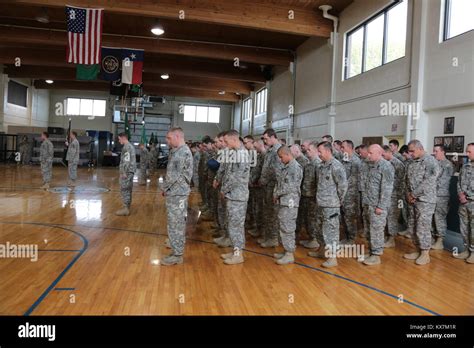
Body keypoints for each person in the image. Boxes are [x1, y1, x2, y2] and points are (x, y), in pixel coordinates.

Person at [309, 141, 347, 268]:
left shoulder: (336, 166)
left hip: (331, 205)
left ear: (328, 151)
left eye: (320, 151)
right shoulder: (321, 166)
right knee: (319, 229)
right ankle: (321, 250)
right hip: (320, 203)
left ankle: (332, 257)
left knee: (331, 232)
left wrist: (337, 201)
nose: (318, 154)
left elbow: (342, 186)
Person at [403, 140, 439, 265]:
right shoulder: (411, 162)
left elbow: (429, 182)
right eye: (409, 151)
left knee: (423, 227)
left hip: (425, 200)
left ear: (420, 148)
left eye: (412, 151)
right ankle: (417, 250)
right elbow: (407, 180)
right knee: (413, 226)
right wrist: (408, 194)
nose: (410, 154)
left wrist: (414, 194)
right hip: (412, 200)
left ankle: (425, 253)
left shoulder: (430, 161)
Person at [161, 127, 193, 266]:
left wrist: (165, 187)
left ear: (177, 136)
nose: (167, 141)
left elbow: (174, 176)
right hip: (175, 193)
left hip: (177, 193)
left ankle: (177, 255)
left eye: (169, 138)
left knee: (177, 224)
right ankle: (176, 250)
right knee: (175, 223)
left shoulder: (182, 152)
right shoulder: (178, 151)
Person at [218, 130, 250, 265]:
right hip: (233, 195)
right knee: (232, 225)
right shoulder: (235, 153)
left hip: (237, 196)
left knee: (236, 226)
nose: (224, 144)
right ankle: (234, 251)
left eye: (226, 141)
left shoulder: (242, 155)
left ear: (233, 140)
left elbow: (235, 178)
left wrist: (224, 190)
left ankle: (238, 255)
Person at [360, 145, 394, 265]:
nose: (368, 155)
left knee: (377, 231)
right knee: (369, 230)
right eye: (368, 153)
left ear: (379, 153)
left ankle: (376, 255)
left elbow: (387, 189)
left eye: (370, 153)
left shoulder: (386, 166)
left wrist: (381, 206)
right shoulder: (370, 165)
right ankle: (371, 251)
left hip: (377, 206)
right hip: (368, 203)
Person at [273, 146, 303, 265]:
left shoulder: (295, 167)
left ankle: (289, 254)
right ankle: (286, 250)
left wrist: (277, 193)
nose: (280, 160)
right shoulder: (287, 166)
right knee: (284, 225)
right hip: (284, 200)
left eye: (281, 157)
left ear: (287, 154)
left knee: (288, 227)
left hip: (290, 201)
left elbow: (290, 186)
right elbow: (280, 182)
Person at [258, 128, 282, 248]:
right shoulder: (270, 150)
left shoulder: (278, 151)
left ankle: (273, 238)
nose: (265, 141)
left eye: (266, 139)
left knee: (273, 214)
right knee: (267, 213)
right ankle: (268, 236)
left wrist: (276, 192)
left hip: (273, 187)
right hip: (267, 187)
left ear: (273, 137)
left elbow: (278, 174)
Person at [298, 141, 321, 249]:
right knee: (307, 219)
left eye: (309, 150)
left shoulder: (318, 164)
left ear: (316, 151)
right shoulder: (308, 163)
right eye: (306, 150)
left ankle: (314, 239)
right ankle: (311, 238)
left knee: (313, 220)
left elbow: (319, 183)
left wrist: (316, 197)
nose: (307, 152)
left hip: (313, 197)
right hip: (306, 195)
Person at [382, 145, 406, 248]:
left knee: (392, 217)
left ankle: (392, 239)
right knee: (386, 217)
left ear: (389, 152)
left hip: (395, 195)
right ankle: (387, 236)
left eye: (383, 154)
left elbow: (401, 181)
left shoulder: (397, 164)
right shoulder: (384, 163)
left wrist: (398, 196)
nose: (382, 156)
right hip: (387, 194)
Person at [432, 144, 454, 250]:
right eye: (434, 151)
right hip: (432, 195)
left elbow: (442, 182)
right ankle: (432, 237)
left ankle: (440, 240)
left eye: (436, 151)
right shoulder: (434, 163)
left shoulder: (447, 165)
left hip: (441, 195)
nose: (434, 153)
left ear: (442, 152)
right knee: (431, 217)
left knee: (439, 217)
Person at [340, 140, 361, 244]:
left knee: (350, 217)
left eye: (343, 147)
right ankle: (347, 237)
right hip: (343, 194)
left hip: (351, 196)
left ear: (350, 148)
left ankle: (351, 239)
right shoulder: (343, 160)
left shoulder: (356, 162)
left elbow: (352, 180)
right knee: (344, 217)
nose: (341, 149)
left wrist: (341, 187)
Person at [456, 143, 474, 264]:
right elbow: (459, 182)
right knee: (464, 228)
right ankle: (466, 249)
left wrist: (468, 196)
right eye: (466, 151)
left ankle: (473, 253)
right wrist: (461, 194)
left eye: (469, 152)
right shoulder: (465, 166)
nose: (467, 154)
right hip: (463, 203)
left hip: (472, 202)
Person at [115, 133, 136, 216]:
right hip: (130, 171)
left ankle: (125, 208)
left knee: (125, 190)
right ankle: (126, 207)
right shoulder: (129, 146)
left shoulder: (127, 147)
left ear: (123, 138)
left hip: (127, 172)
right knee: (128, 190)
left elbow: (126, 161)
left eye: (119, 138)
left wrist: (124, 172)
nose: (119, 140)